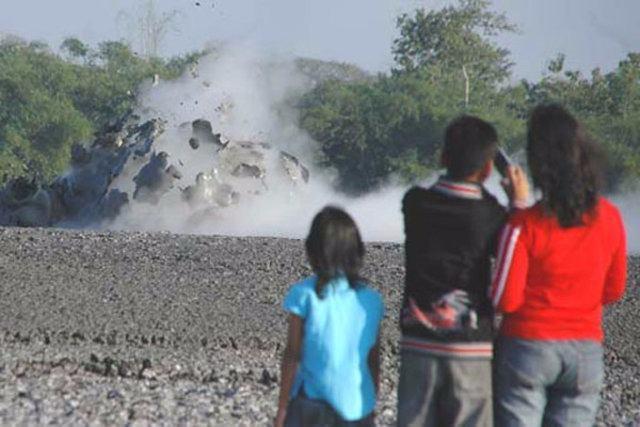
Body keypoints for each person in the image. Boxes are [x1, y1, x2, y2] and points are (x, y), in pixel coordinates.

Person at [491, 104, 627, 426]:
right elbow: (614, 289)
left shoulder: (524, 224)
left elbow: (504, 299)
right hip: (585, 349)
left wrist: (518, 205)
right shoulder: (609, 217)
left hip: (528, 344)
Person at [397, 115, 529, 427]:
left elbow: (433, 197)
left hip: (418, 342)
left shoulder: (414, 203)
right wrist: (518, 203)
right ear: (488, 170)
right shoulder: (492, 215)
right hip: (470, 347)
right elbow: (516, 248)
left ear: (443, 157)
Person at [275, 206, 384, 427]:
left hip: (312, 403)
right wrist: (371, 405)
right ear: (357, 252)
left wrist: (282, 408)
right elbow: (374, 360)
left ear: (311, 251)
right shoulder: (371, 300)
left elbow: (292, 355)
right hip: (357, 404)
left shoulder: (304, 295)